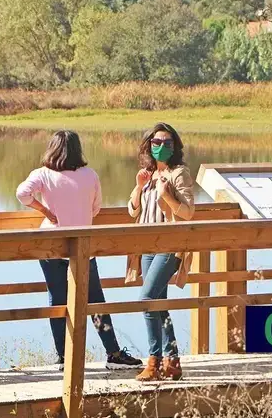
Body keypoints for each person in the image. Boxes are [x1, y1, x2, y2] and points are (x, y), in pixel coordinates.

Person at [16, 130, 142, 371]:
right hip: (83, 248)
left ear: (51, 149)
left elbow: (22, 194)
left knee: (57, 300)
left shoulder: (43, 174)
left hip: (52, 246)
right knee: (95, 300)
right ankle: (113, 353)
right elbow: (96, 209)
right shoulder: (90, 175)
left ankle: (65, 358)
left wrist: (46, 212)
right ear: (78, 149)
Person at [126, 122, 195, 381]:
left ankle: (154, 361)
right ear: (149, 145)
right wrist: (137, 187)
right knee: (158, 304)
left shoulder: (179, 174)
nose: (161, 146)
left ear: (175, 146)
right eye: (156, 142)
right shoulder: (148, 173)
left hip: (169, 246)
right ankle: (173, 361)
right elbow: (133, 211)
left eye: (167, 143)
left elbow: (188, 213)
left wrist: (167, 196)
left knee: (146, 299)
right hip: (146, 247)